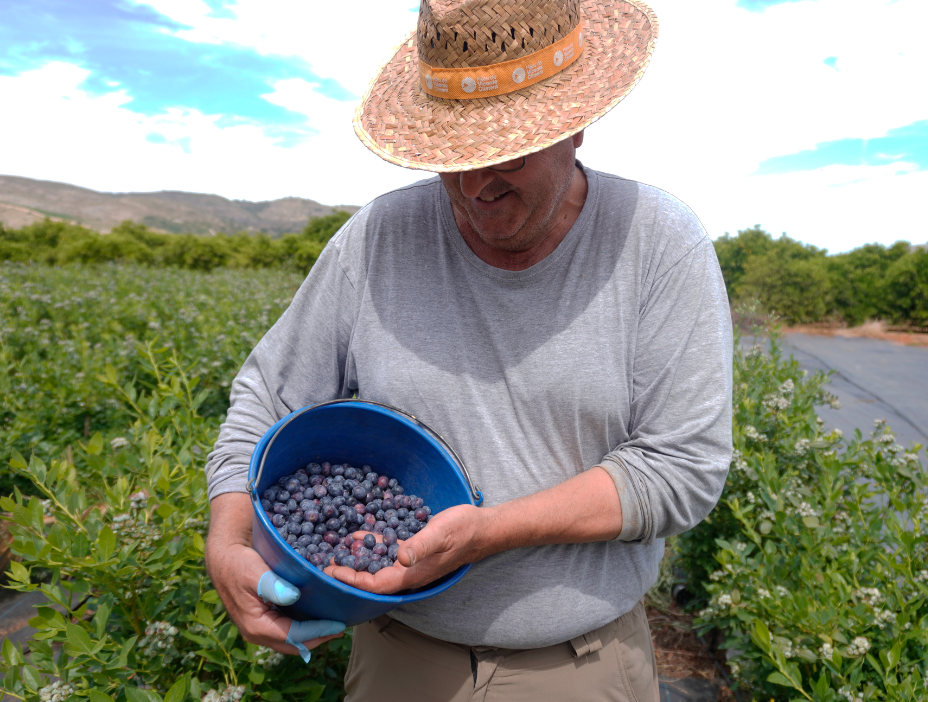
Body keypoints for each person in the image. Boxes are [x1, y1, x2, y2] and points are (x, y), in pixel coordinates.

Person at [203, 0, 733, 699]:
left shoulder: (658, 244)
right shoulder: (381, 237)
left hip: (577, 665)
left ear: (577, 125)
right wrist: (228, 539)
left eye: (507, 153)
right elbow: (269, 399)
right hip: (398, 655)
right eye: (453, 156)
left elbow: (683, 466)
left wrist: (490, 533)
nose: (475, 185)